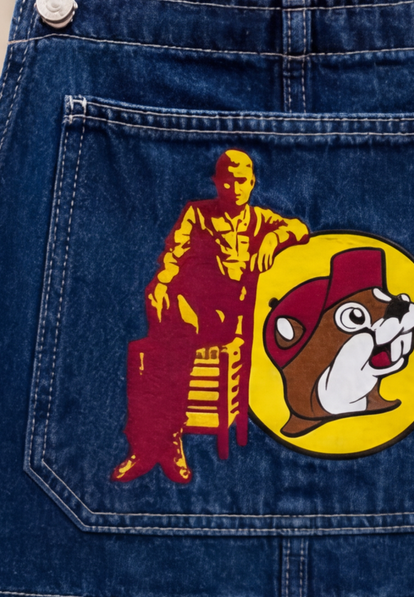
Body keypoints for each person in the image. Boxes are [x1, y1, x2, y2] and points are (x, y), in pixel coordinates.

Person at [116, 148, 305, 483]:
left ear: (252, 183)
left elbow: (299, 228)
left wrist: (273, 238)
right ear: (216, 182)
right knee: (160, 345)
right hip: (195, 308)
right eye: (228, 181)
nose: (235, 188)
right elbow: (175, 253)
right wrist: (161, 283)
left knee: (166, 349)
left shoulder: (261, 220)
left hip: (233, 318)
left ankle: (157, 444)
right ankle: (160, 443)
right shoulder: (197, 213)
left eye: (242, 181)